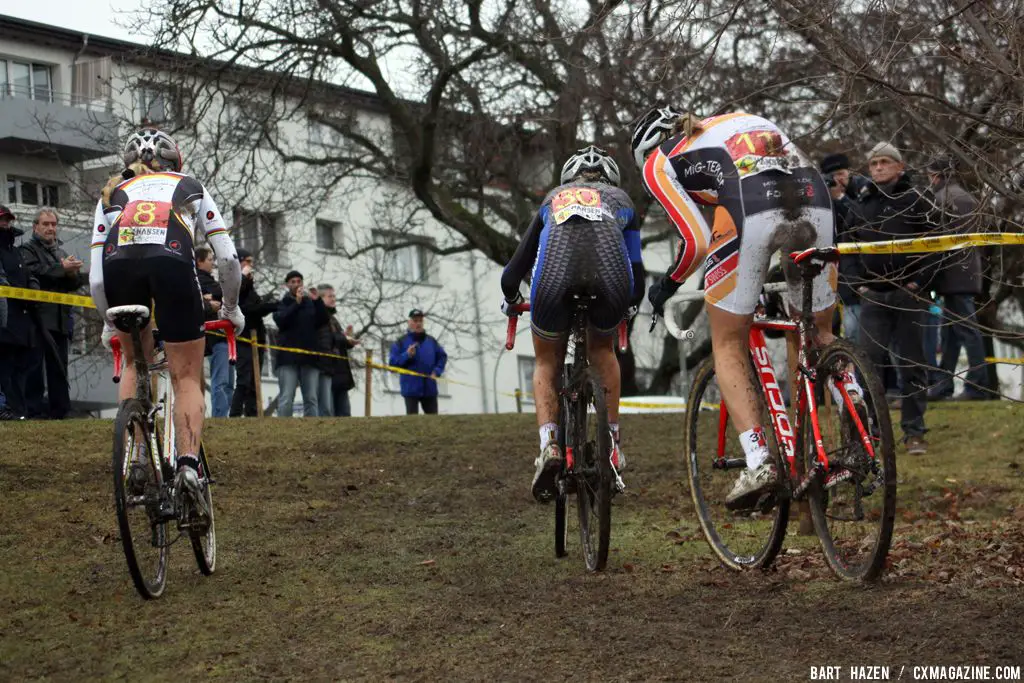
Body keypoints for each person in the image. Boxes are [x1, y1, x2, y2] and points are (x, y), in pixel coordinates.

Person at [631, 107, 842, 508]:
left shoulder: (659, 161)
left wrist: (669, 284)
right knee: (816, 332)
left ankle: (760, 460)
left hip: (750, 207)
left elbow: (695, 241)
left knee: (727, 342)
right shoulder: (732, 121)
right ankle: (855, 419)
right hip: (815, 197)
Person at [89, 128, 243, 517]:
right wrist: (231, 309)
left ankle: (138, 453)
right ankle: (188, 466)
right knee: (187, 376)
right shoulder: (189, 185)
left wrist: (109, 325)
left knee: (135, 357)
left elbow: (94, 278)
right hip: (172, 264)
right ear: (176, 161)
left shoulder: (111, 193)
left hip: (118, 271)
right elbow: (226, 259)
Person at [500, 145, 645, 502]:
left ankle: (549, 444)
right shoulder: (622, 200)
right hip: (610, 281)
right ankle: (612, 446)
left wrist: (514, 298)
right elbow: (637, 277)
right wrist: (629, 306)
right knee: (601, 350)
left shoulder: (552, 199)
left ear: (568, 179)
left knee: (546, 361)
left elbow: (513, 272)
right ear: (610, 180)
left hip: (552, 282)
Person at [848, 142, 939, 455]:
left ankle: (914, 432)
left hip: (908, 294)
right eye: (873, 164)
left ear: (900, 167)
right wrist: (858, 285)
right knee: (868, 368)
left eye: (885, 162)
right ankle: (871, 432)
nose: (878, 168)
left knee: (912, 366)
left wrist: (919, 282)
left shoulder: (916, 199)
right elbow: (848, 246)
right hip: (873, 296)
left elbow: (937, 244)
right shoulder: (862, 203)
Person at [924, 156, 989, 401]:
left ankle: (977, 384)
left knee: (967, 330)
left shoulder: (940, 200)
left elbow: (936, 244)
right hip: (969, 272)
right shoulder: (969, 199)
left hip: (952, 275)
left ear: (936, 175)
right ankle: (944, 384)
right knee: (951, 333)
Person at [20, 207, 89, 419]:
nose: (51, 229)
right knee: (35, 367)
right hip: (37, 318)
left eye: (53, 224)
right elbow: (34, 273)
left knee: (59, 367)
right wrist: (62, 269)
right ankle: (34, 410)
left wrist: (74, 273)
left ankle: (61, 410)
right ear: (35, 227)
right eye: (46, 224)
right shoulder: (27, 249)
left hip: (60, 319)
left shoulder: (60, 251)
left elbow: (73, 285)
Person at [820, 154, 866, 342]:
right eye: (832, 176)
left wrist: (841, 198)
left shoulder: (862, 191)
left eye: (841, 173)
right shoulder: (821, 197)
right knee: (830, 325)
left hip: (854, 270)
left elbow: (861, 221)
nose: (837, 180)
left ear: (849, 173)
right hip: (828, 268)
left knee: (854, 329)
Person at [273, 270, 329, 417]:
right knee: (286, 397)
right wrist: (296, 304)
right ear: (287, 285)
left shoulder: (310, 303)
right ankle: (283, 432)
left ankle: (312, 433)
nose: (297, 284)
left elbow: (323, 320)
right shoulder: (282, 303)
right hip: (287, 358)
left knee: (311, 398)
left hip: (309, 359)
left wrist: (317, 301)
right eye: (293, 282)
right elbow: (281, 320)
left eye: (299, 281)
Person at [0, 204, 38, 419]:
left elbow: (27, 273)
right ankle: (7, 409)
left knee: (22, 367)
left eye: (8, 219)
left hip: (22, 320)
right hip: (4, 318)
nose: (5, 223)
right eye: (1, 219)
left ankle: (19, 410)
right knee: (4, 368)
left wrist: (32, 286)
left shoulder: (15, 250)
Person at [229, 249, 277, 417]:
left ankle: (252, 415)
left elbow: (258, 307)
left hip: (257, 339)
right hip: (243, 339)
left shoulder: (250, 287)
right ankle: (234, 415)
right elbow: (247, 307)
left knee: (254, 382)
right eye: (247, 261)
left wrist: (273, 303)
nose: (251, 265)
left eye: (251, 262)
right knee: (243, 380)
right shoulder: (234, 282)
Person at [195, 247, 233, 417]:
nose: (213, 263)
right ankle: (220, 417)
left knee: (227, 381)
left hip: (219, 335)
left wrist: (213, 296)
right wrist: (211, 297)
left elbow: (219, 295)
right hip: (214, 337)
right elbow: (224, 292)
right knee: (221, 380)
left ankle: (223, 415)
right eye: (210, 259)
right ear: (199, 261)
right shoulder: (198, 280)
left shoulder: (207, 281)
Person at [388, 309, 448, 416]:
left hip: (429, 389)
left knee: (434, 424)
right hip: (410, 389)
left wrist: (436, 371)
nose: (418, 323)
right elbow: (392, 364)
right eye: (415, 321)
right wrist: (407, 355)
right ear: (409, 322)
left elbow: (442, 357)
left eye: (420, 321)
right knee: (412, 424)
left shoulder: (431, 341)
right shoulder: (400, 342)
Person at [313, 284, 360, 416]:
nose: (334, 299)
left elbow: (337, 341)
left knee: (345, 415)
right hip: (326, 371)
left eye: (334, 296)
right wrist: (344, 338)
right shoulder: (317, 316)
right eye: (330, 296)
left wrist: (348, 340)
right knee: (328, 414)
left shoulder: (333, 319)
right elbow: (327, 340)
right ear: (320, 299)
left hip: (340, 373)